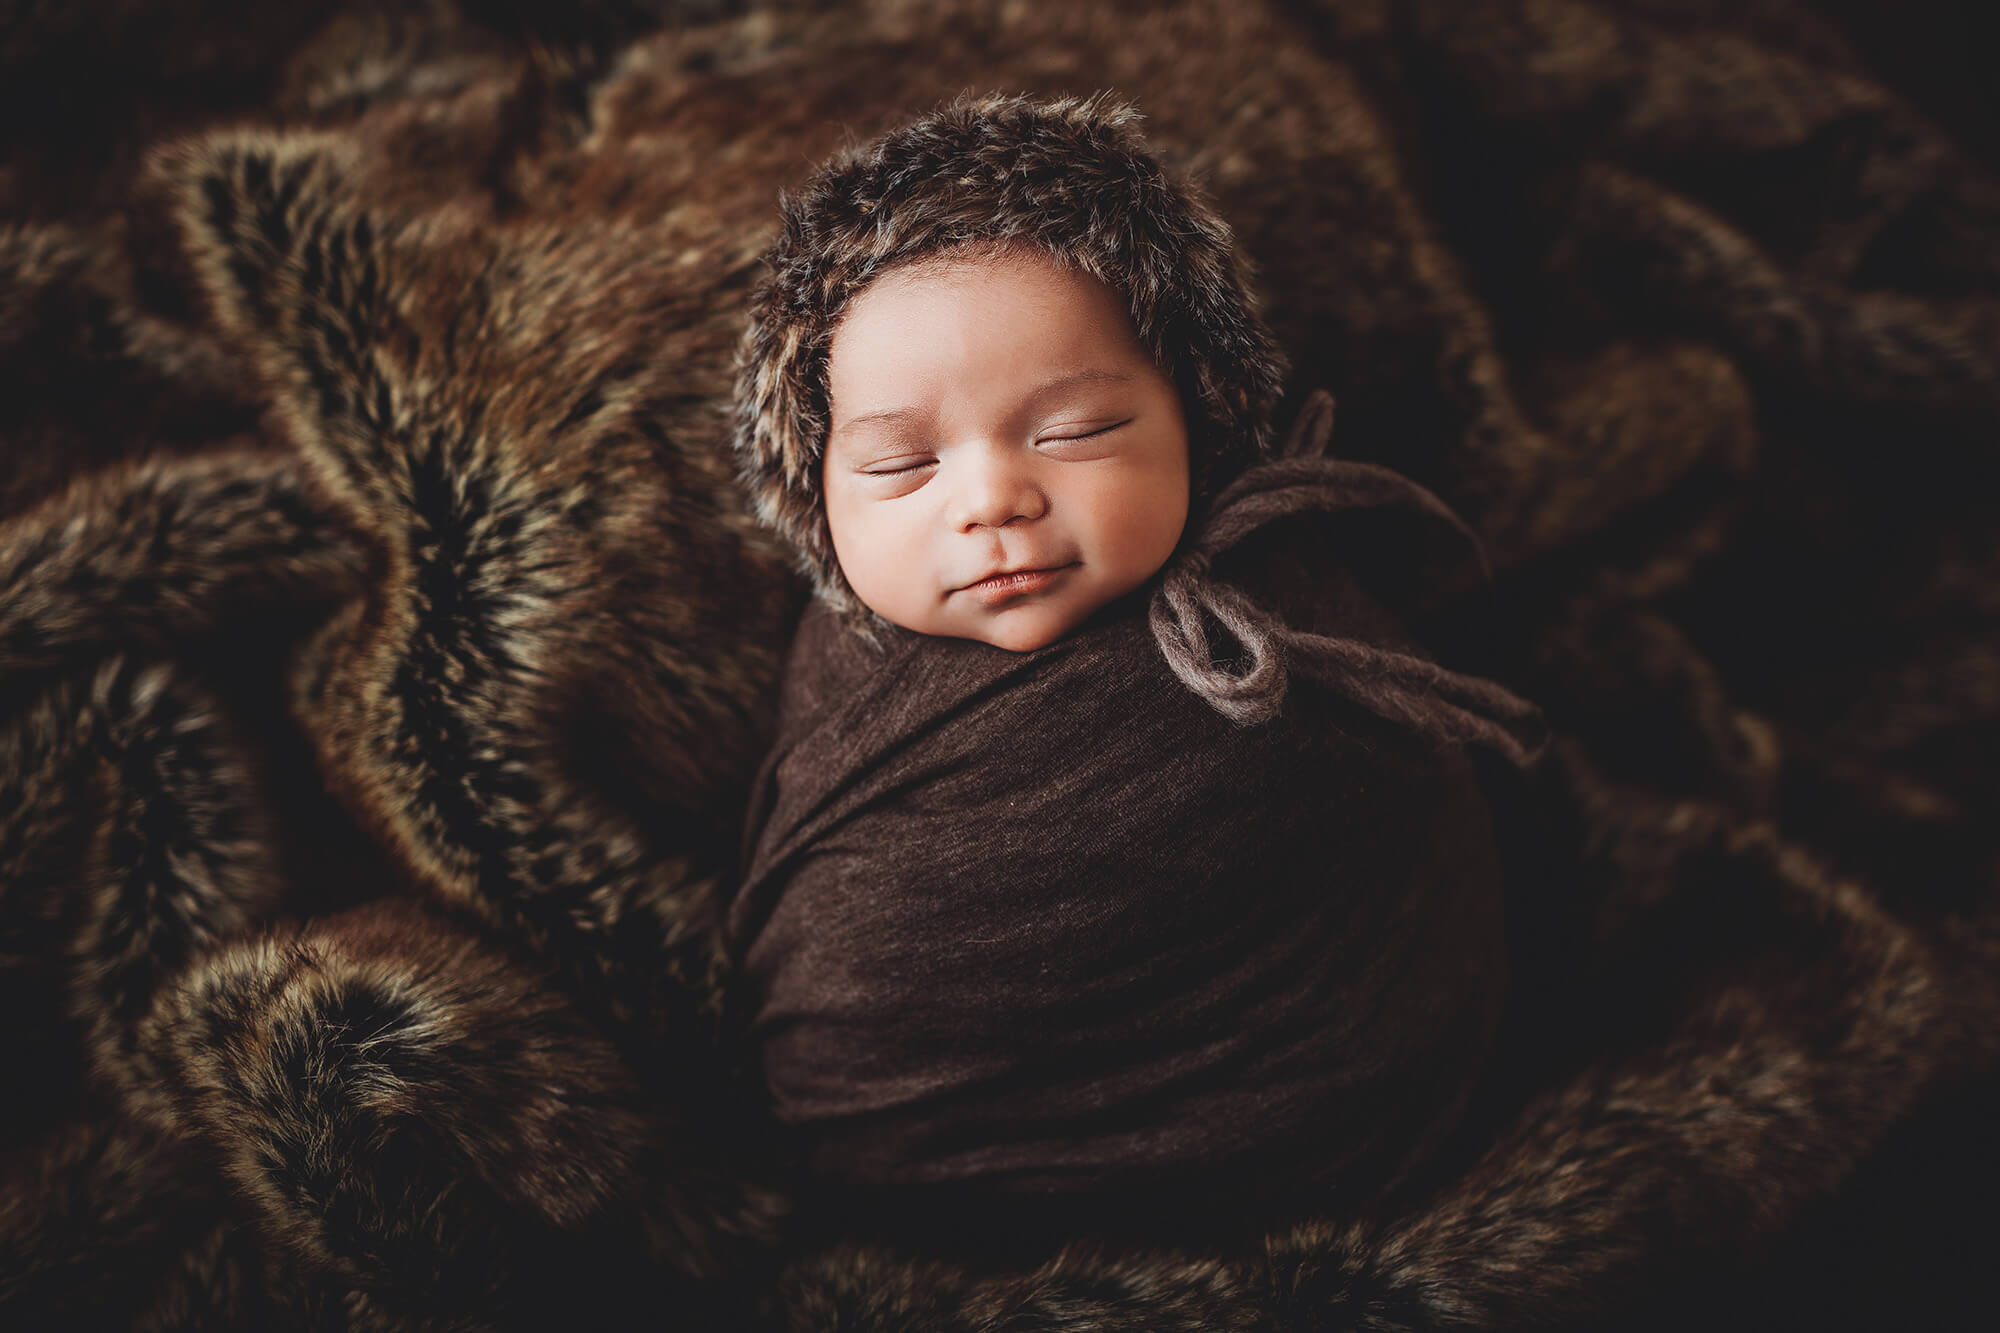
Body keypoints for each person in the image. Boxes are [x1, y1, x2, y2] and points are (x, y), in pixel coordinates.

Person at [725, 90, 1545, 1262]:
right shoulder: (832, 661)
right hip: (919, 1204)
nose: (991, 499)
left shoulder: (1287, 642)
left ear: (1197, 423)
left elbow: (1418, 869)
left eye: (1072, 431)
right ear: (817, 499)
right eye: (902, 464)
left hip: (1340, 1168)